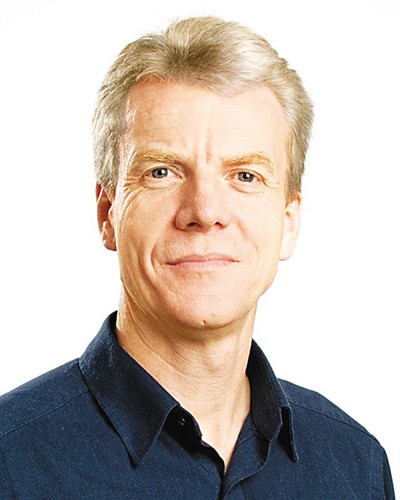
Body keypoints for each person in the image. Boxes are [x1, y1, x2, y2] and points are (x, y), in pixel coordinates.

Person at [0, 16, 394, 499]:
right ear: (108, 214)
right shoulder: (10, 461)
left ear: (289, 221)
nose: (205, 212)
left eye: (245, 176)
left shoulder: (356, 466)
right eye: (162, 172)